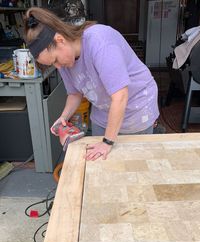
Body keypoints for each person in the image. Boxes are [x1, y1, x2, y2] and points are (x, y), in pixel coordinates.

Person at [24, 7, 159, 161]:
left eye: (55, 60)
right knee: (100, 165)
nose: (58, 67)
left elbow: (120, 96)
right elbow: (75, 93)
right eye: (52, 64)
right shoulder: (64, 61)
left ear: (60, 40)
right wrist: (64, 117)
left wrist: (107, 142)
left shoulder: (100, 42)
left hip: (136, 107)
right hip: (104, 111)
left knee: (134, 166)